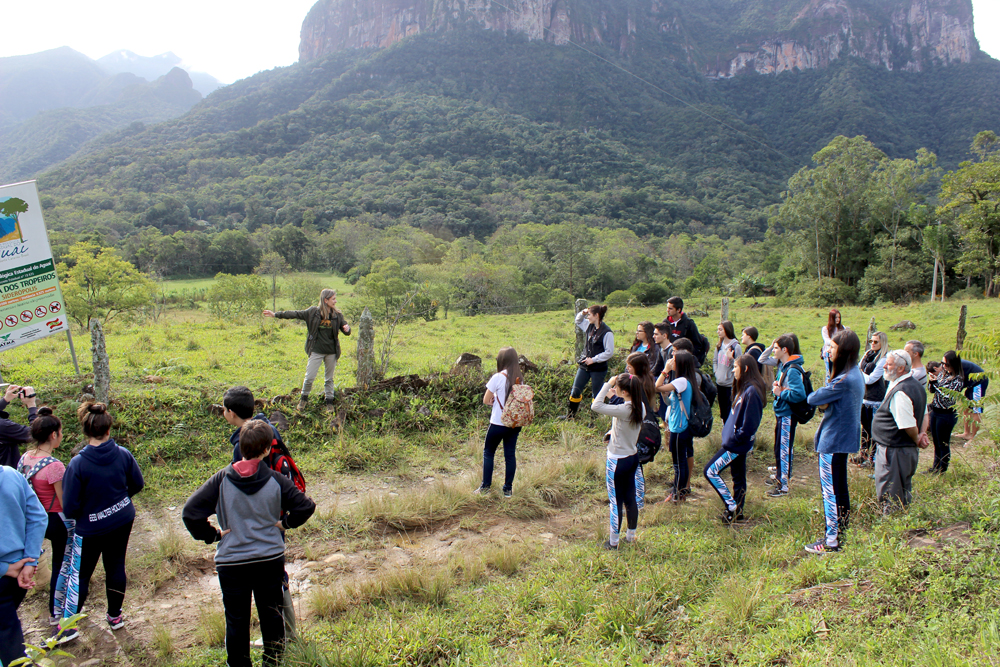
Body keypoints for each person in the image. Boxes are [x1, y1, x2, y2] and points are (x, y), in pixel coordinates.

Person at [183, 421, 316, 667]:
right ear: (267, 450)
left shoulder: (220, 480)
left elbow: (190, 513)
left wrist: (212, 535)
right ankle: (272, 662)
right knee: (271, 616)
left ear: (240, 447)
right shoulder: (276, 480)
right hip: (269, 560)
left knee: (236, 620)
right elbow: (306, 506)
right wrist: (285, 523)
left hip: (231, 563)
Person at [61, 402, 144, 632]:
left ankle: (69, 625)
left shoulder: (78, 464)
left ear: (85, 431)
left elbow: (70, 507)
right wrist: (119, 501)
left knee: (82, 573)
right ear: (109, 429)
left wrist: (93, 512)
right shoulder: (123, 454)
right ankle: (115, 617)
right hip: (122, 518)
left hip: (91, 528)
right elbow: (138, 483)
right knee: (115, 565)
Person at [17, 407, 78, 641]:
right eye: (60, 433)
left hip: (35, 519)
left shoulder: (26, 457)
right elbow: (64, 502)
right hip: (55, 520)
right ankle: (57, 612)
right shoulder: (54, 466)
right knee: (62, 566)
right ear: (53, 435)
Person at [803, 330, 864, 554]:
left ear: (843, 351)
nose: (828, 351)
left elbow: (814, 398)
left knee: (830, 491)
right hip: (843, 440)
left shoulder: (844, 380)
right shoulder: (855, 373)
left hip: (833, 441)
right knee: (840, 488)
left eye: (832, 348)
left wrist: (824, 394)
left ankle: (831, 541)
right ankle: (841, 531)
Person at [263, 289, 351, 410]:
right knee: (309, 377)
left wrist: (347, 329)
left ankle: (329, 403)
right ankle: (303, 400)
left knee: (329, 379)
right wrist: (275, 314)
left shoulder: (337, 315)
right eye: (333, 299)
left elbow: (346, 329)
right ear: (326, 300)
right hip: (316, 350)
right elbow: (294, 314)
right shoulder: (312, 312)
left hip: (331, 352)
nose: (335, 301)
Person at [704, 354, 765, 524]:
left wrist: (737, 439)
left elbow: (750, 424)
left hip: (736, 445)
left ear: (745, 369)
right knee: (738, 476)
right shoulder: (745, 388)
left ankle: (731, 506)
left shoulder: (752, 391)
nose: (733, 370)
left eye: (735, 367)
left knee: (710, 471)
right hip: (736, 443)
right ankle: (738, 511)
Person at [590, 373, 645, 550]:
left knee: (615, 502)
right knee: (630, 499)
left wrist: (608, 384)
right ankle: (631, 536)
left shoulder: (624, 409)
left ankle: (613, 542)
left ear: (624, 391)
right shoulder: (639, 407)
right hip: (632, 456)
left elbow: (596, 406)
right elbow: (623, 427)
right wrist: (611, 434)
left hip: (616, 461)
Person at [0, 463, 47, 667]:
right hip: (21, 575)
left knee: (10, 644)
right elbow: (38, 517)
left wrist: (4, 569)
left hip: (7, 574)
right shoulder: (12, 475)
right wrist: (30, 561)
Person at [873, 350, 928, 513]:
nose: (884, 366)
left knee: (891, 492)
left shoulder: (902, 391)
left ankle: (892, 529)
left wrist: (917, 437)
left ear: (901, 368)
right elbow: (925, 413)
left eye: (888, 364)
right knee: (900, 490)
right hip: (900, 450)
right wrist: (923, 432)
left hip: (895, 451)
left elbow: (907, 425)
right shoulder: (914, 385)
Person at [476, 347, 525, 498]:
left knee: (489, 452)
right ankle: (508, 489)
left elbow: (485, 400)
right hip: (514, 424)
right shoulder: (519, 378)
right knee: (510, 455)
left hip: (498, 422)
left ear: (501, 360)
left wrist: (493, 401)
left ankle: (485, 487)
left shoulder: (497, 377)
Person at [766, 335, 806, 498]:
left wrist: (780, 392)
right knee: (779, 448)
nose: (773, 351)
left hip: (787, 415)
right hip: (782, 413)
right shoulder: (785, 366)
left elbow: (799, 394)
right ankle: (780, 478)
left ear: (785, 350)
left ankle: (783, 486)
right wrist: (779, 386)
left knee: (783, 449)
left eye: (775, 348)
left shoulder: (792, 370)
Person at [656, 350, 698, 504]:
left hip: (679, 428)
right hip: (679, 427)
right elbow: (670, 402)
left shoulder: (681, 381)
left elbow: (657, 386)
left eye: (673, 359)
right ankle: (679, 491)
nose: (671, 361)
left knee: (678, 463)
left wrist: (665, 370)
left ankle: (677, 494)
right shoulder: (684, 381)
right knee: (680, 461)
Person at [563, 305, 613, 419]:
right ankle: (570, 416)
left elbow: (609, 352)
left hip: (598, 369)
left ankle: (594, 420)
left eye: (590, 315)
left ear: (596, 316)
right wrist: (583, 312)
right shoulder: (589, 326)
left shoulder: (607, 332)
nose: (588, 317)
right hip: (585, 366)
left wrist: (594, 359)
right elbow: (578, 320)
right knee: (575, 390)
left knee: (597, 395)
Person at [921, 352, 965, 474]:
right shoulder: (942, 375)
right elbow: (932, 391)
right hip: (935, 411)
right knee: (936, 441)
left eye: (946, 364)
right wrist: (932, 382)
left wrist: (936, 384)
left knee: (943, 443)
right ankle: (935, 466)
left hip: (946, 415)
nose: (943, 366)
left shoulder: (958, 379)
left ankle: (942, 469)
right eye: (942, 363)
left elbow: (948, 396)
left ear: (953, 364)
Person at [624, 351, 657, 510]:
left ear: (636, 368)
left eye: (629, 367)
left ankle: (638, 502)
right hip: (644, 427)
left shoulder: (635, 383)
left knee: (634, 467)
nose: (627, 369)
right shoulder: (648, 379)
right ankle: (636, 498)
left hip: (637, 430)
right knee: (635, 466)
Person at [857, 331, 889, 466]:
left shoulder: (884, 358)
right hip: (864, 398)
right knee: (864, 429)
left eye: (876, 341)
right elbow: (858, 368)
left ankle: (873, 459)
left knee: (874, 430)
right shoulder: (868, 354)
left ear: (883, 343)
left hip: (876, 399)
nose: (873, 344)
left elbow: (871, 379)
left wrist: (859, 373)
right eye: (871, 341)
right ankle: (863, 454)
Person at [0, 384, 38, 468]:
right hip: (8, 478)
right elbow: (37, 433)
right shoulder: (3, 426)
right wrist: (31, 405)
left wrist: (5, 400)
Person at [713, 320, 742, 422]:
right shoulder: (719, 345)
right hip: (719, 382)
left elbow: (740, 364)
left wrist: (732, 358)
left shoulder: (735, 346)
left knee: (730, 410)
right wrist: (716, 373)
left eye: (720, 329)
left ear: (727, 330)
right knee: (723, 411)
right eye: (718, 329)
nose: (718, 332)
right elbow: (715, 361)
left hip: (730, 384)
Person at [958, 356, 989, 441]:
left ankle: (973, 437)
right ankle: (967, 433)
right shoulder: (948, 366)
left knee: (976, 409)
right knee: (966, 407)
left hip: (979, 381)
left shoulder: (952, 366)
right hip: (971, 383)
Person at [820, 308, 847, 377]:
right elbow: (827, 340)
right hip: (829, 353)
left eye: (839, 317)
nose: (838, 319)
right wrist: (835, 345)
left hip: (840, 353)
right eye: (836, 317)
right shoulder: (825, 329)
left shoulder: (843, 328)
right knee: (830, 373)